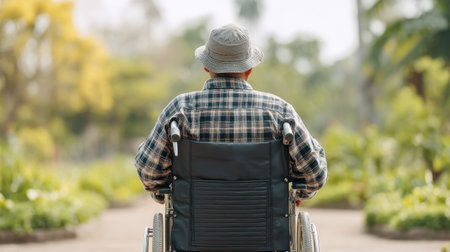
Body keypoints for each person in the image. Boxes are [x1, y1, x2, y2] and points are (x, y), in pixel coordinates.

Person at [135, 24, 327, 206]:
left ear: (206, 67)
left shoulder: (179, 110)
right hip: (266, 230)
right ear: (249, 69)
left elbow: (149, 171)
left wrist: (162, 191)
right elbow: (314, 174)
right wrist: (299, 194)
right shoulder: (280, 112)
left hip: (194, 232)